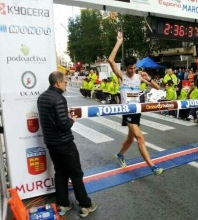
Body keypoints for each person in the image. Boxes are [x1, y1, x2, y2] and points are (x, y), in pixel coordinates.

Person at [37, 71, 97, 218]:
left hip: (51, 143)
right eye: (64, 82)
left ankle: (63, 203)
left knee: (60, 173)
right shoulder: (59, 99)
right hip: (64, 142)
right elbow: (64, 125)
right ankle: (85, 204)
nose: (66, 84)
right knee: (76, 174)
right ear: (57, 83)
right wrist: (72, 120)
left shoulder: (42, 98)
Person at [108, 32, 164, 175]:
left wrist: (149, 78)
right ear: (125, 68)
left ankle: (120, 155)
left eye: (134, 68)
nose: (132, 71)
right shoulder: (122, 76)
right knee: (140, 137)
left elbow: (158, 88)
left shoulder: (139, 76)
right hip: (127, 111)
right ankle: (153, 166)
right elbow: (110, 60)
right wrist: (119, 42)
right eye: (129, 68)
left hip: (137, 110)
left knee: (130, 138)